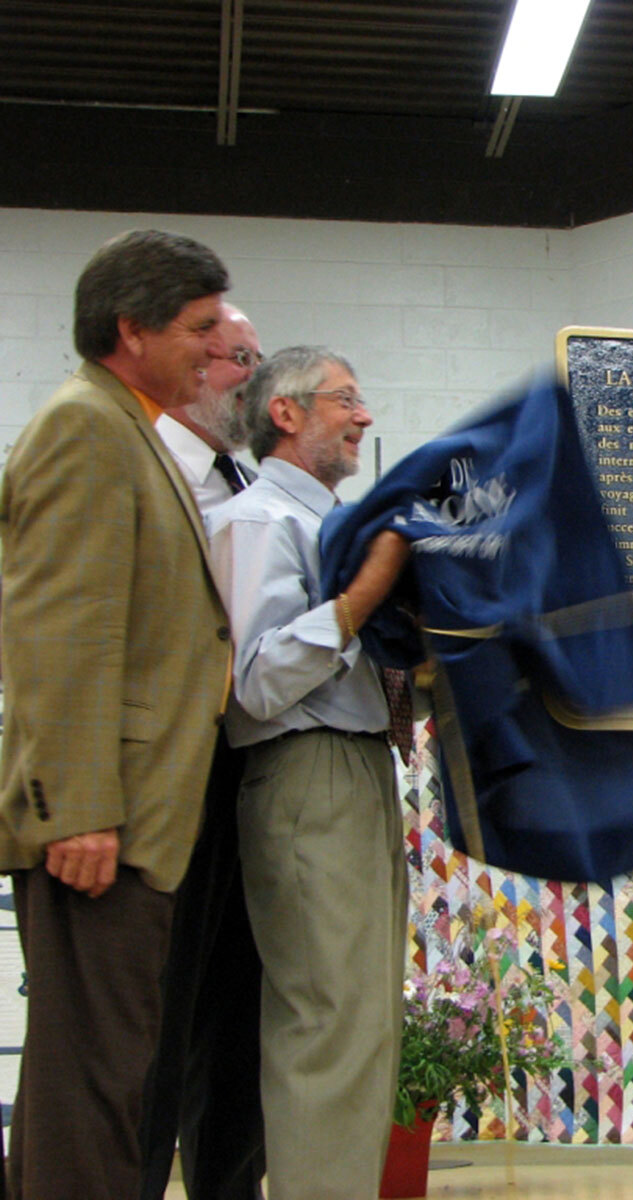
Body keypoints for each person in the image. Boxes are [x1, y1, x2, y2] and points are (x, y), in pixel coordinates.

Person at [0, 229, 232, 1199]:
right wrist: (83, 807)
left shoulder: (124, 425)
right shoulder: (85, 427)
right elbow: (62, 629)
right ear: (130, 331)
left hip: (132, 821)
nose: (215, 350)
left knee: (100, 1084)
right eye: (199, 328)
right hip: (105, 824)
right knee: (90, 1090)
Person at [207, 345, 410, 1200]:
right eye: (345, 400)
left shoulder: (335, 525)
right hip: (305, 769)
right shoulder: (260, 521)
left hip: (357, 767)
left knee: (363, 1021)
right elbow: (254, 684)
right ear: (284, 414)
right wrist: (365, 597)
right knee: (327, 1019)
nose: (364, 417)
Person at [139, 304, 267, 1200]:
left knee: (237, 1013)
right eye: (238, 358)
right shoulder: (133, 469)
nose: (251, 380)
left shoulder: (257, 487)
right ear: (189, 364)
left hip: (250, 776)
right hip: (158, 788)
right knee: (152, 1015)